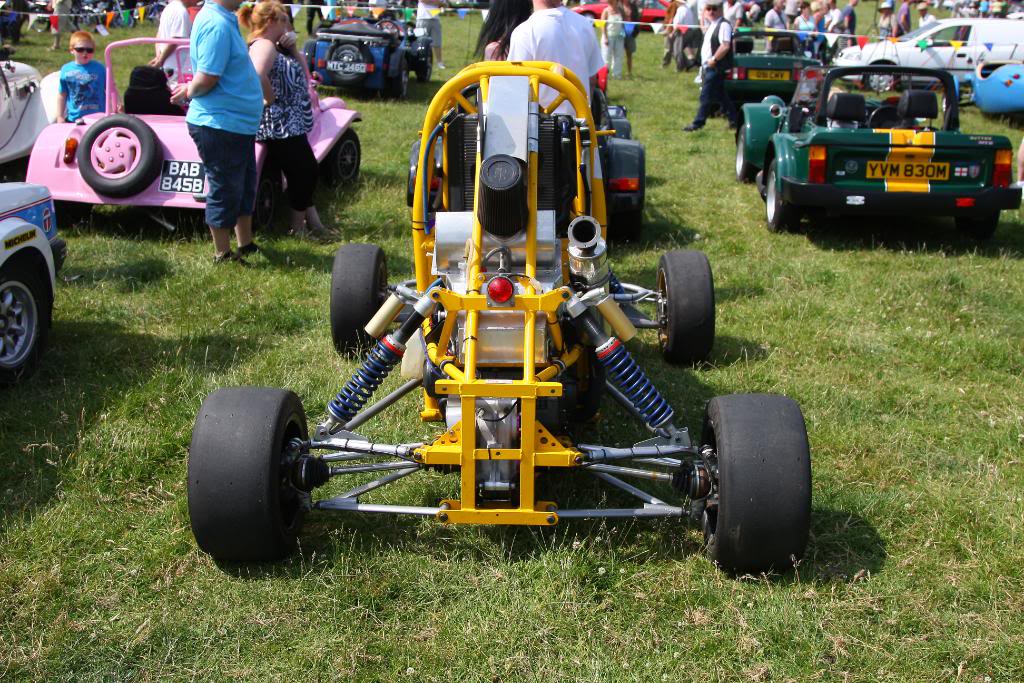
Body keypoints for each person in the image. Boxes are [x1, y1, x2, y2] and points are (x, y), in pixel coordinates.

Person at [171, 0, 263, 264]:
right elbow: (208, 76)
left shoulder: (223, 17)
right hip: (220, 123)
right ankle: (222, 254)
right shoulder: (216, 24)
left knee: (244, 184)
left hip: (235, 124)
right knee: (225, 187)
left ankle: (245, 243)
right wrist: (188, 91)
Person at [240, 1, 329, 240]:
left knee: (303, 171)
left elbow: (305, 76)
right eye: (284, 20)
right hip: (278, 125)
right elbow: (257, 73)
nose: (289, 26)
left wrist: (292, 50)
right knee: (305, 171)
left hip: (290, 123)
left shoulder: (276, 47)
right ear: (271, 22)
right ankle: (298, 228)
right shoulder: (264, 45)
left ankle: (312, 224)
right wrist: (270, 98)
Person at [506, 0, 604, 116]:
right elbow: (592, 80)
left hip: (541, 128)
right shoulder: (585, 25)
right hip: (581, 124)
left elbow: (515, 89)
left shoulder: (525, 32)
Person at [683, 0, 737, 132]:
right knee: (722, 96)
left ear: (720, 10)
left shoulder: (724, 25)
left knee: (705, 95)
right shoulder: (712, 24)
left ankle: (698, 123)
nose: (711, 11)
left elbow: (725, 46)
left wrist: (714, 59)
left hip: (716, 67)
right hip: (709, 66)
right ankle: (735, 120)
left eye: (714, 9)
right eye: (709, 9)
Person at [57, 31, 105, 123]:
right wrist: (59, 116)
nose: (85, 53)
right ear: (72, 50)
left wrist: (117, 105)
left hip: (98, 119)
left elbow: (111, 89)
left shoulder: (100, 68)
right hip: (74, 119)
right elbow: (62, 94)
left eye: (89, 50)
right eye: (80, 49)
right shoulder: (66, 69)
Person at [149, 0, 199, 86]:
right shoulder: (181, 12)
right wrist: (160, 60)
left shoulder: (168, 8)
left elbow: (159, 34)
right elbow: (175, 40)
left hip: (169, 64)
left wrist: (159, 57)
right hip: (178, 67)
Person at [601, 0, 627, 79]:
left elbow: (624, 22)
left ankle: (617, 74)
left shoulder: (620, 10)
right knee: (606, 56)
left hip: (619, 37)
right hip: (608, 36)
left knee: (619, 55)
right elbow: (602, 25)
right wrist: (605, 37)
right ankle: (605, 75)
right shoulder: (606, 11)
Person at [417, 0, 445, 70]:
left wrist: (435, 2)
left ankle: (439, 62)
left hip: (435, 18)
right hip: (422, 18)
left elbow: (443, 4)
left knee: (437, 42)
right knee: (420, 42)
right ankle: (419, 61)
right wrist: (435, 2)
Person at [622, 0, 640, 78]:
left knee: (629, 53)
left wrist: (635, 31)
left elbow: (637, 19)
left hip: (630, 32)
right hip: (620, 33)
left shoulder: (633, 7)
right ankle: (616, 72)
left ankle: (629, 72)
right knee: (618, 53)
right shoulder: (619, 6)